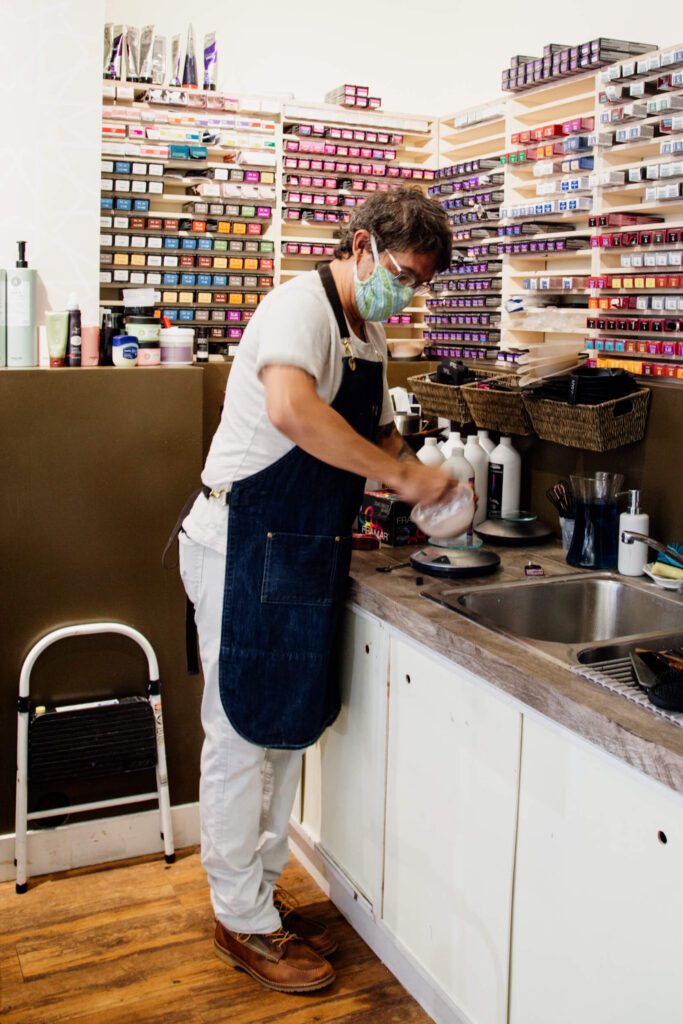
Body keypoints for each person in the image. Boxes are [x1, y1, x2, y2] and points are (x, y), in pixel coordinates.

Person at [178, 186, 456, 994]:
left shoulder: (362, 331)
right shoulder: (297, 307)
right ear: (362, 245)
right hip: (245, 544)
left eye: (419, 285)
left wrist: (424, 477)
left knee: (285, 731)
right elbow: (295, 412)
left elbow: (366, 431)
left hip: (299, 550)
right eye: (402, 274)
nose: (406, 295)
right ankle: (239, 919)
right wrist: (398, 473)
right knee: (238, 735)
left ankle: (257, 897)